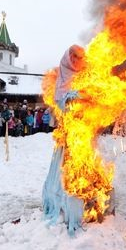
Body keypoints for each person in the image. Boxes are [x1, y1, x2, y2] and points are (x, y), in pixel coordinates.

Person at [42, 45, 87, 235]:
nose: (76, 61)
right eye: (73, 57)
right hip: (68, 135)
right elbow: (61, 106)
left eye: (78, 57)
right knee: (65, 168)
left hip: (83, 133)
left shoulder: (84, 77)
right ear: (68, 59)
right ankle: (63, 198)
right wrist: (71, 97)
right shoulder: (61, 81)